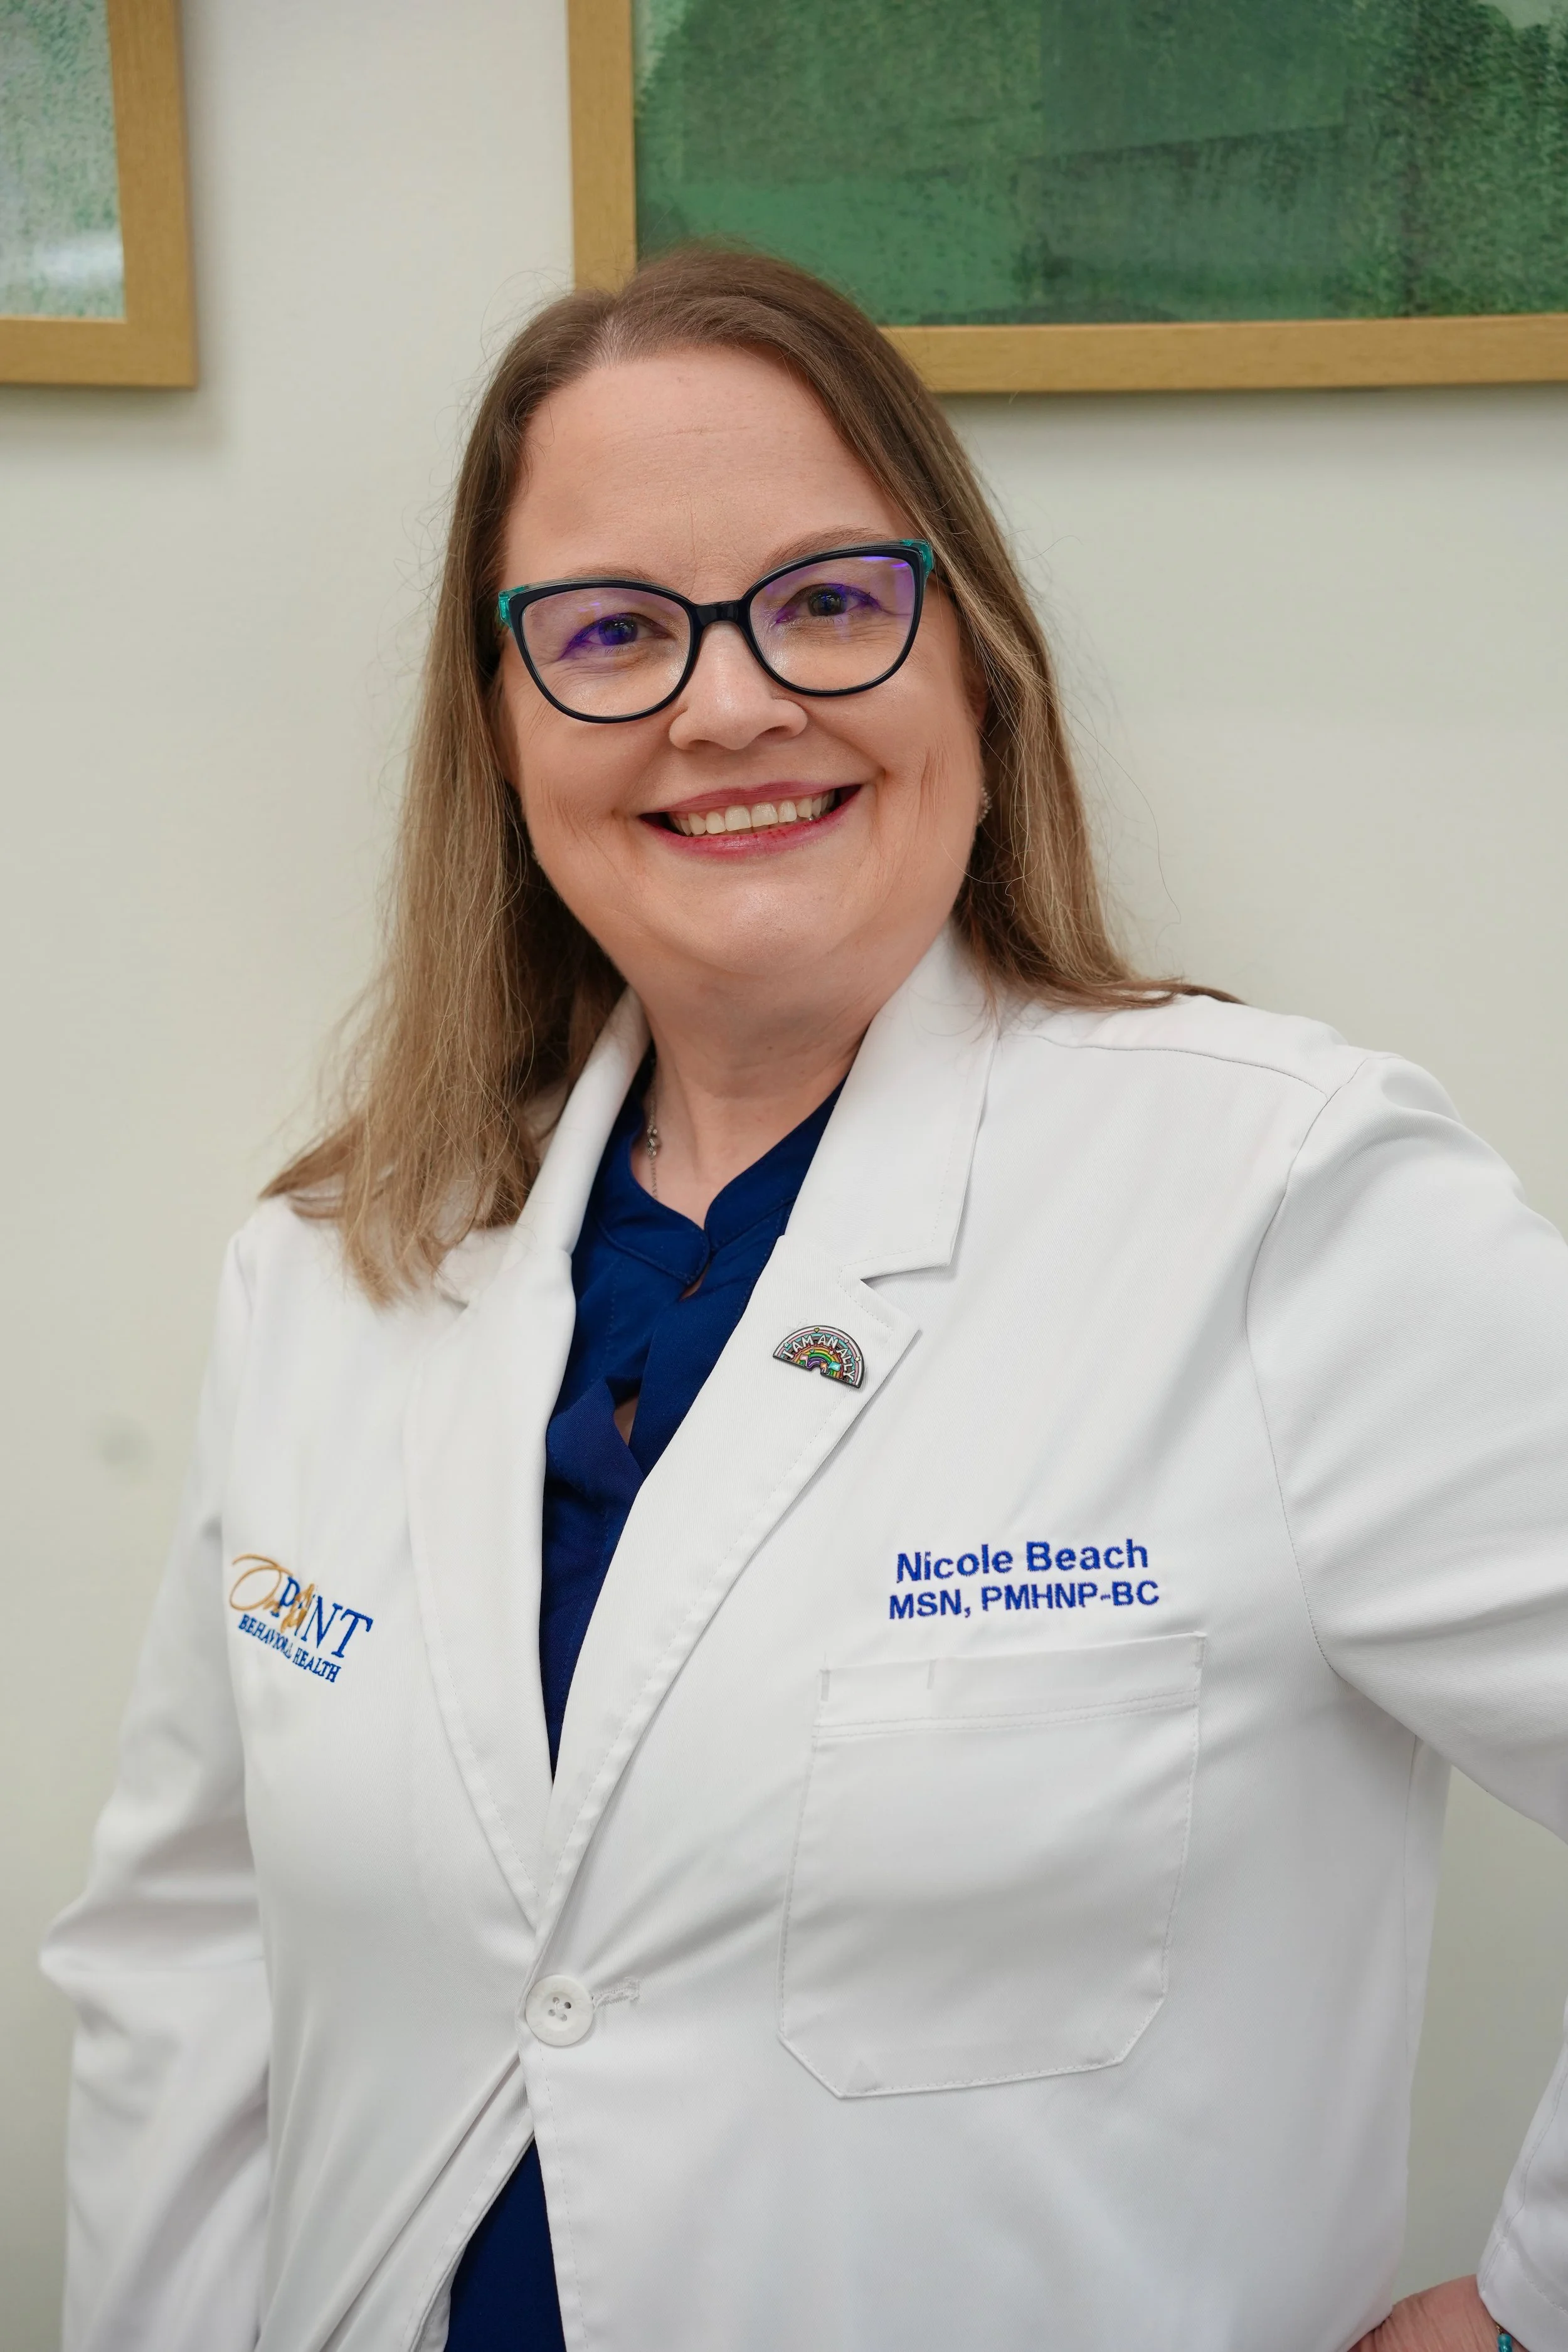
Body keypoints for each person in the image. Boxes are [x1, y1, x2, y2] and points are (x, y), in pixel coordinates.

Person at [42, 245, 1568, 2352]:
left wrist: (1526, 2317)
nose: (728, 702)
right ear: (499, 731)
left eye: (831, 601)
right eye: (607, 632)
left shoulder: (1278, 1198)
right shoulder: (329, 1271)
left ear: (975, 668)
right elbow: (189, 1962)